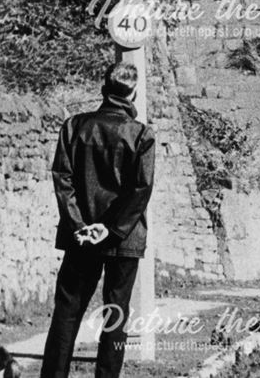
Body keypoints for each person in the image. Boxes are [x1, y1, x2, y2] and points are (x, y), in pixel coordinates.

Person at [40, 62, 155, 378]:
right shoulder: (141, 134)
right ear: (132, 92)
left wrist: (79, 225)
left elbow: (63, 178)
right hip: (124, 238)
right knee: (115, 315)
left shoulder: (74, 126)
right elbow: (140, 190)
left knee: (67, 310)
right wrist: (111, 227)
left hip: (81, 239)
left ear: (105, 87)